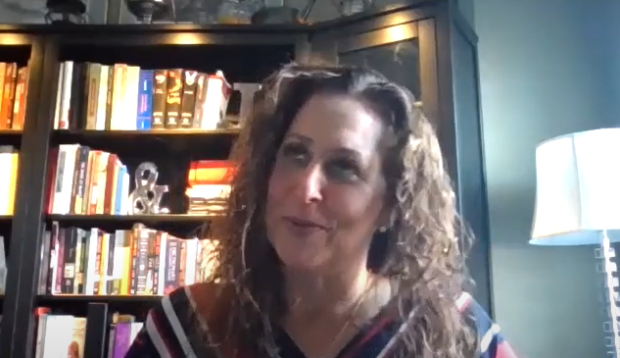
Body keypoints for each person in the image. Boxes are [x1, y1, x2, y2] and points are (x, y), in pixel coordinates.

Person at [123, 64, 518, 358]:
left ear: (391, 207)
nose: (306, 187)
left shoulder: (455, 333)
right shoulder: (188, 328)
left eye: (344, 167)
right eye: (296, 154)